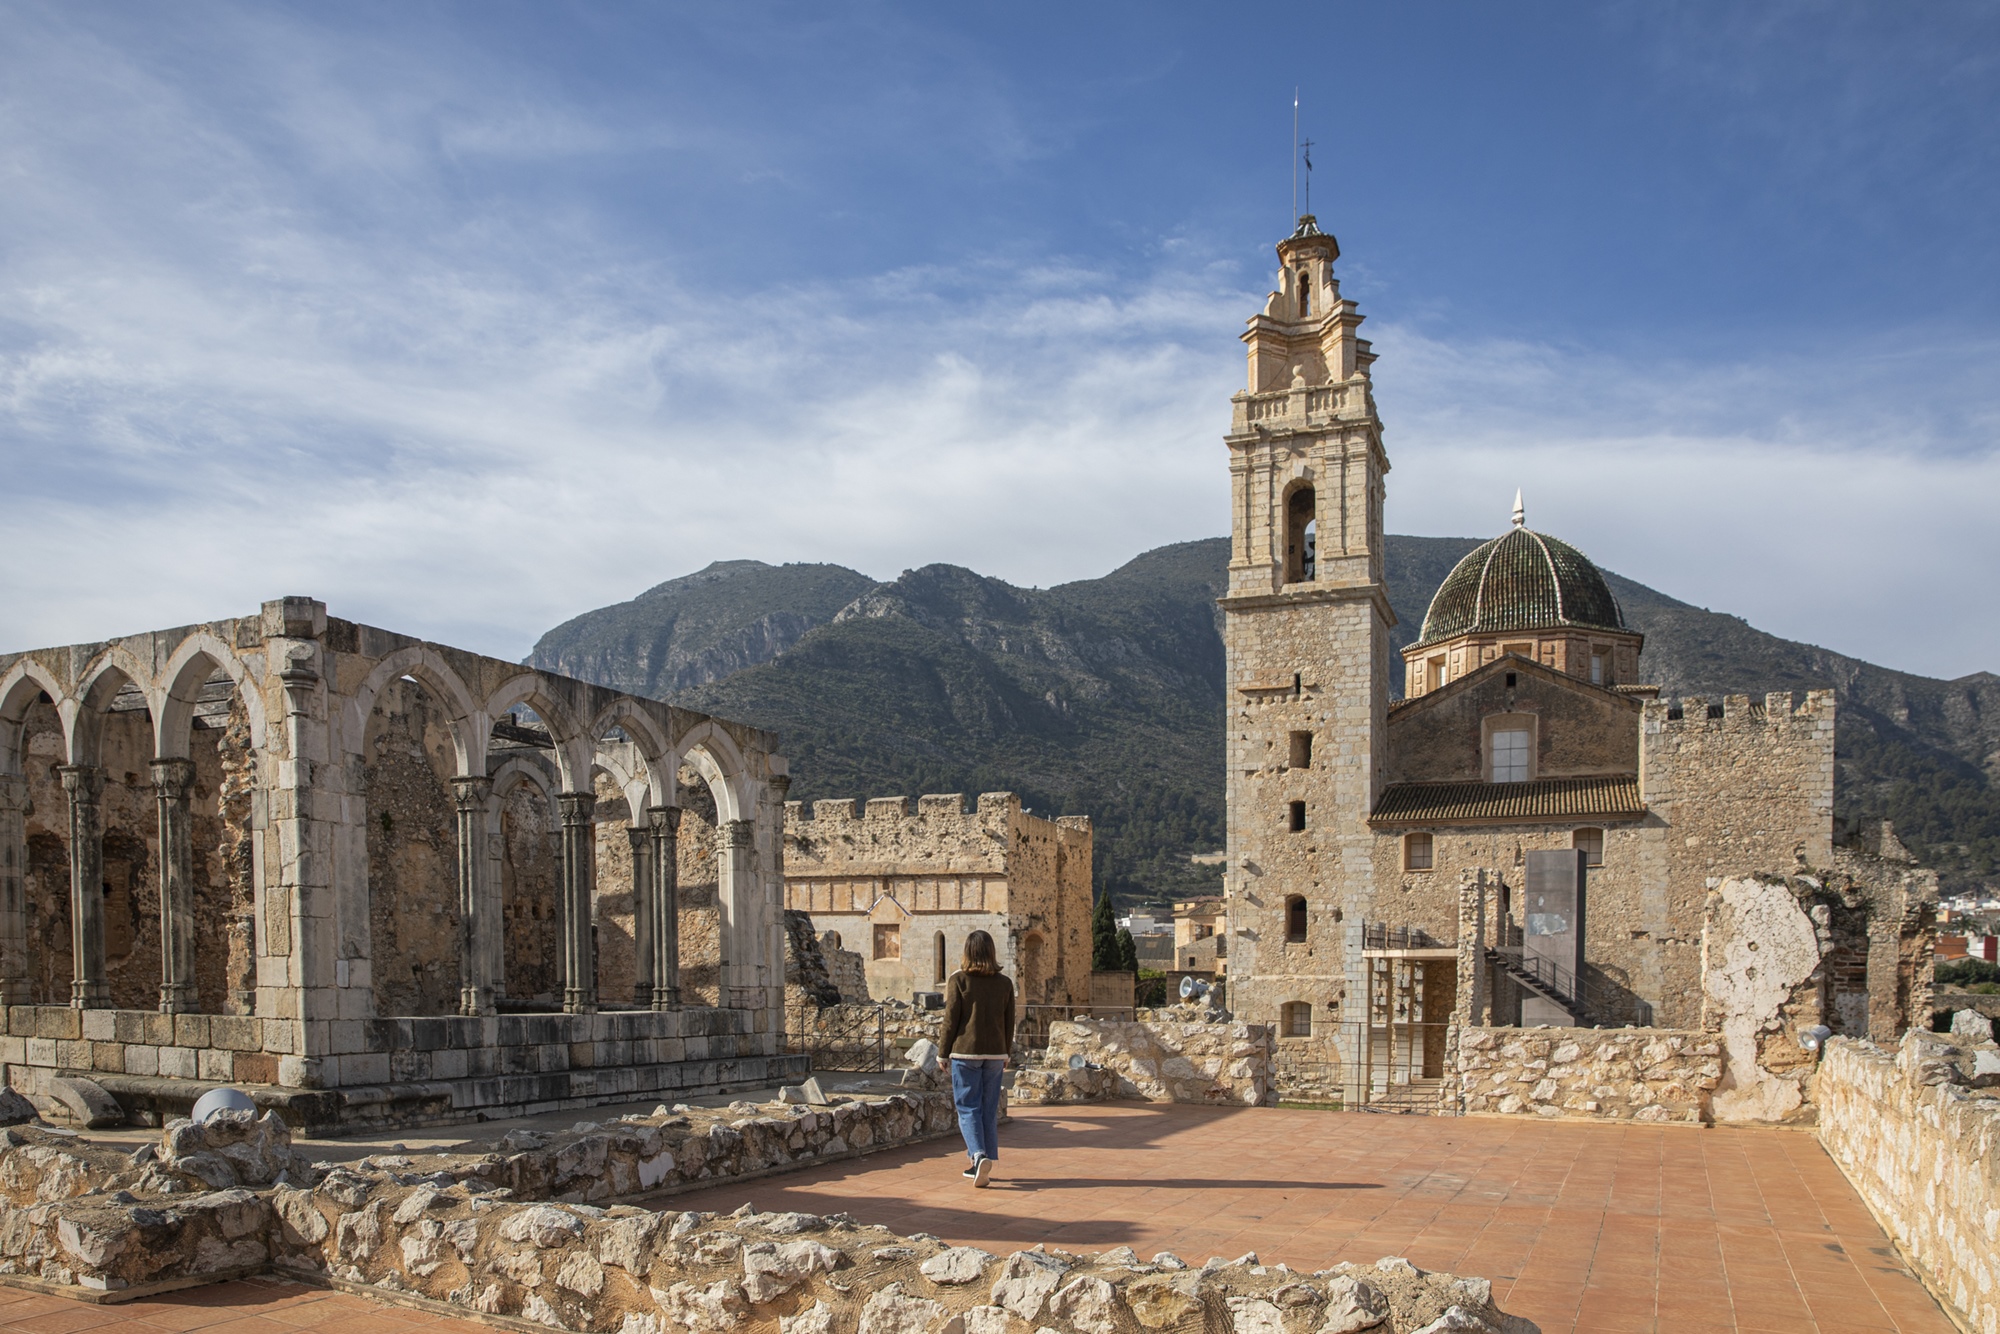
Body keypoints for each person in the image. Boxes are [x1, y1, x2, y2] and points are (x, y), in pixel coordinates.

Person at [937, 929, 1014, 1187]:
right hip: (994, 1053)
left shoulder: (959, 980)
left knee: (968, 1107)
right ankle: (983, 1160)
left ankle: (978, 1156)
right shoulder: (1005, 983)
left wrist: (942, 1053)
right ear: (991, 952)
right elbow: (1009, 1021)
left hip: (965, 1052)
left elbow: (951, 1020)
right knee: (988, 1108)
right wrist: (1007, 1052)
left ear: (968, 952)